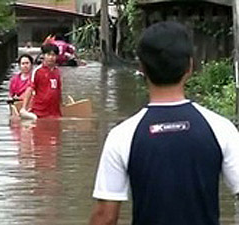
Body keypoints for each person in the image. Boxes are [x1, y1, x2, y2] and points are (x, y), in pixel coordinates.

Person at [89, 21, 239, 225]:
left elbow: (105, 217)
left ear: (141, 68)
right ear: (190, 66)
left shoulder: (122, 136)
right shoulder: (221, 129)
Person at [20, 43, 62, 119]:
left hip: (54, 113)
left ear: (56, 57)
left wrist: (61, 106)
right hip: (39, 112)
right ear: (43, 56)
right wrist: (24, 108)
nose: (51, 57)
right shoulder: (37, 71)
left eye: (53, 55)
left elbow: (58, 90)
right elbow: (30, 89)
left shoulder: (57, 72)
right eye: (48, 55)